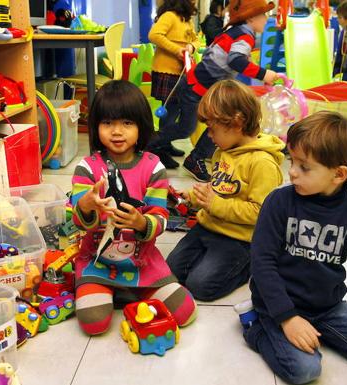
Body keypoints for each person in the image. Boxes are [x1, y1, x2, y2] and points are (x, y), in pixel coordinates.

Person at [240, 111, 347, 384]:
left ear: (339, 174)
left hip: (327, 307)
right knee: (305, 370)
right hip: (276, 305)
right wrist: (287, 318)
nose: (292, 171)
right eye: (292, 160)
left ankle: (313, 330)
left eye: (304, 167)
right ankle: (255, 329)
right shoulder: (279, 203)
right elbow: (261, 264)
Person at [70, 80, 197, 335]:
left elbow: (160, 217)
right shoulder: (87, 167)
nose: (117, 132)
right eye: (108, 123)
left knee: (185, 312)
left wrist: (141, 223)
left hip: (143, 263)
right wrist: (85, 205)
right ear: (96, 127)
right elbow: (77, 218)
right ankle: (108, 288)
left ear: (142, 126)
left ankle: (128, 289)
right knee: (94, 323)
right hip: (98, 263)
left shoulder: (154, 167)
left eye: (127, 123)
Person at [166, 79, 285, 301]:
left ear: (237, 124)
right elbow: (218, 187)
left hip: (239, 239)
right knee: (170, 271)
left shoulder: (262, 163)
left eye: (212, 129)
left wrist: (215, 204)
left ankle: (250, 264)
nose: (209, 136)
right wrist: (191, 198)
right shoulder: (224, 151)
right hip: (208, 226)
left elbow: (261, 213)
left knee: (200, 286)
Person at [147, 0, 279, 182]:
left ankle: (192, 156)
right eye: (263, 15)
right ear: (251, 18)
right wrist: (264, 74)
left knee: (219, 122)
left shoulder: (237, 32)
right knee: (189, 128)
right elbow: (236, 61)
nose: (266, 19)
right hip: (195, 88)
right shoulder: (245, 36)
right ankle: (148, 143)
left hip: (197, 84)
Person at [148, 0, 200, 167]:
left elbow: (197, 39)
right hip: (167, 72)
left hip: (181, 72)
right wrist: (176, 49)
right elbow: (154, 35)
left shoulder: (187, 20)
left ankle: (165, 143)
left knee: (174, 108)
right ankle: (159, 148)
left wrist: (191, 46)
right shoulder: (169, 16)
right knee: (170, 110)